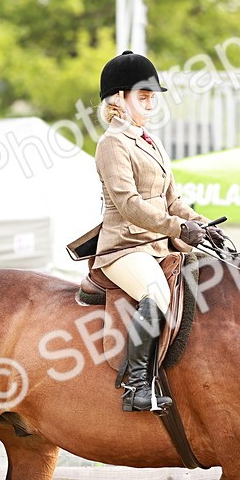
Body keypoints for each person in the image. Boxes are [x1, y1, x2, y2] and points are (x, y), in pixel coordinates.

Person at [92, 50, 223, 412]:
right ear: (119, 99)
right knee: (156, 295)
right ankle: (136, 387)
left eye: (152, 97)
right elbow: (129, 204)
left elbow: (172, 198)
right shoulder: (112, 144)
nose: (150, 104)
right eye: (143, 97)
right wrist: (177, 227)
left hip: (158, 244)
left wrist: (200, 224)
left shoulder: (151, 140)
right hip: (125, 247)